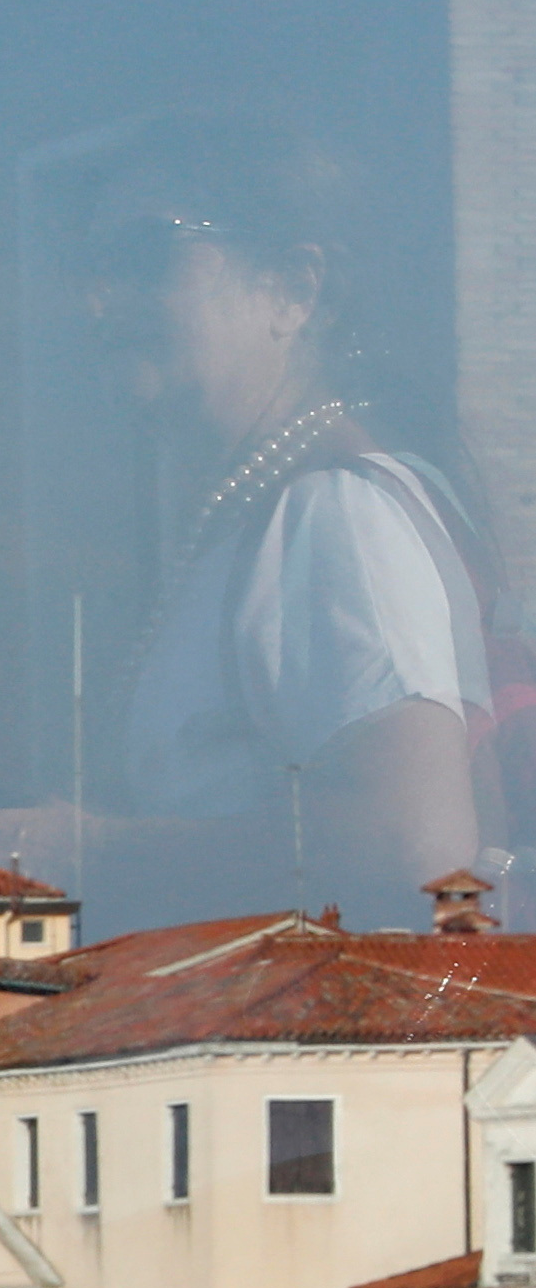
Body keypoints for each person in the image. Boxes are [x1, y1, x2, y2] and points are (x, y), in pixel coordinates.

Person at [87, 112, 494, 928]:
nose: (98, 300)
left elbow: (412, 847)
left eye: (142, 255)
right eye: (88, 267)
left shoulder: (335, 515)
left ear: (290, 289)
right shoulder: (257, 515)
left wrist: (94, 850)